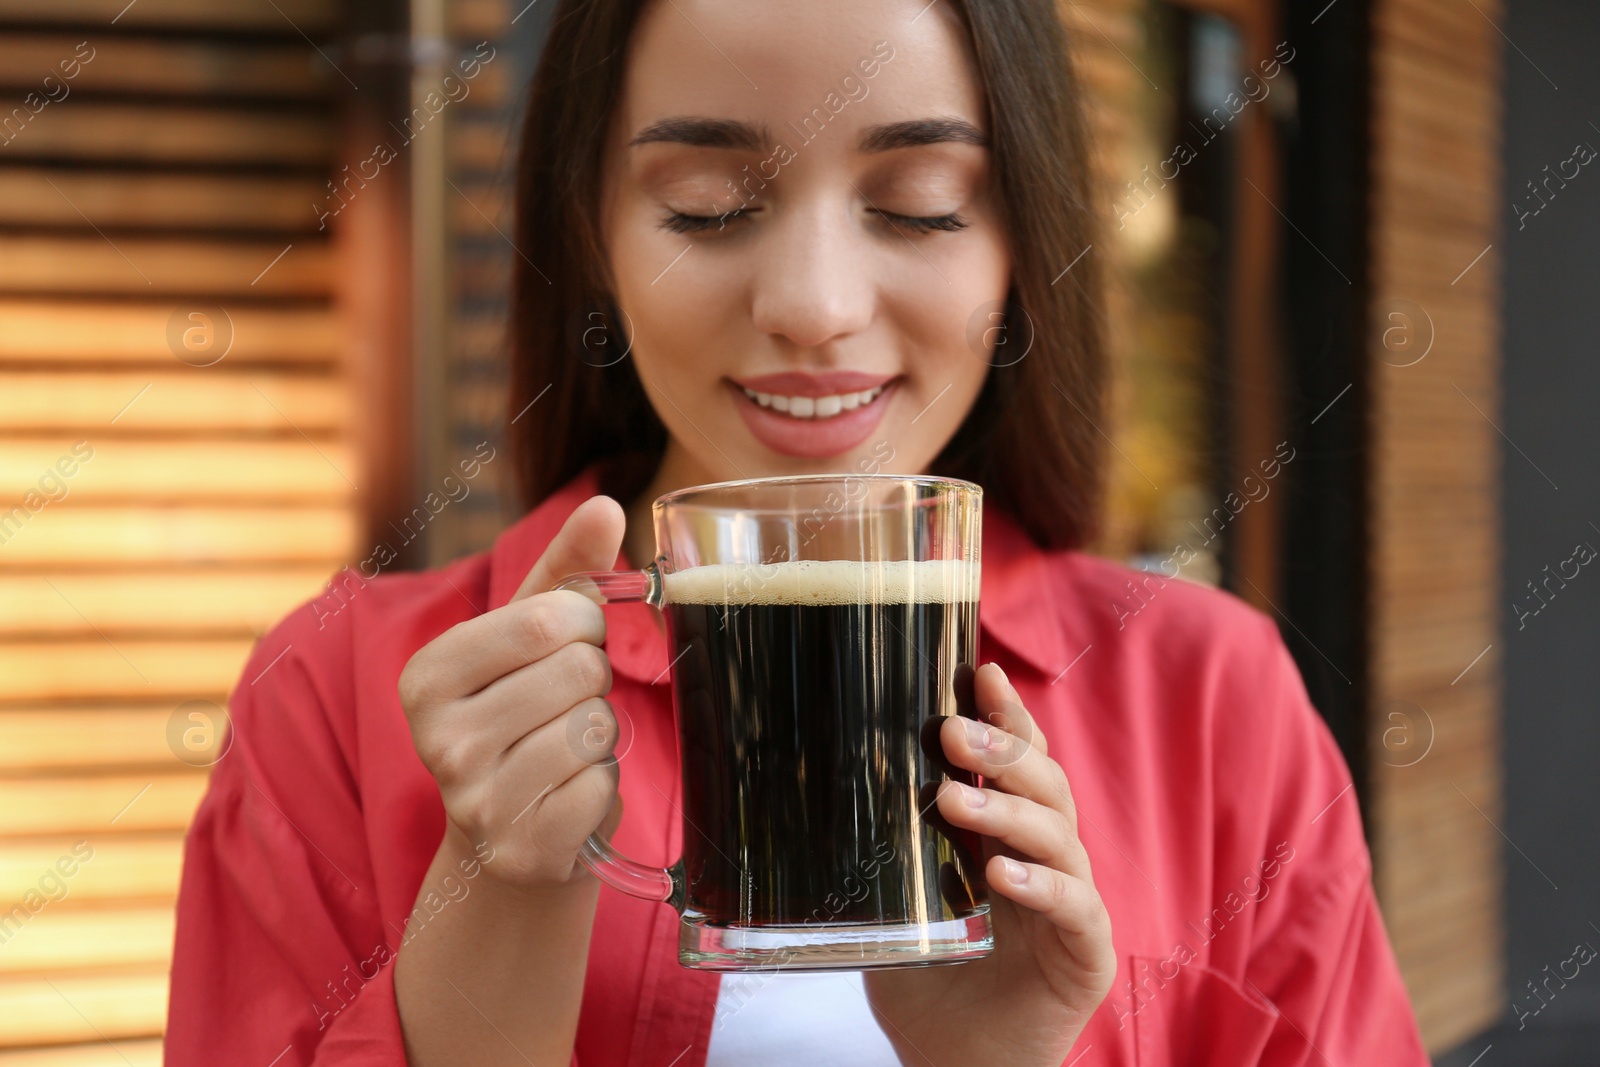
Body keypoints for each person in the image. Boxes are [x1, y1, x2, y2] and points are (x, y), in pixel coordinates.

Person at [165, 0, 1431, 1063]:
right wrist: (491, 918)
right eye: (710, 207)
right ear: (590, 235)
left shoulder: (1212, 698)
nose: (814, 307)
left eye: (922, 201)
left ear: (1021, 244)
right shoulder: (333, 694)